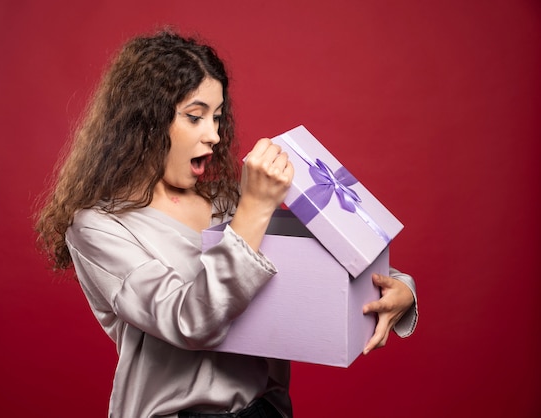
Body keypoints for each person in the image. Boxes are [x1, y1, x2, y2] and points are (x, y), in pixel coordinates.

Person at [35, 30, 418, 418]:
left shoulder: (223, 201)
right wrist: (254, 209)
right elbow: (190, 322)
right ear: (145, 120)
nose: (215, 135)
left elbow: (314, 267)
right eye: (195, 116)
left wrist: (401, 289)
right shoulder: (98, 227)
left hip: (264, 409)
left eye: (217, 118)